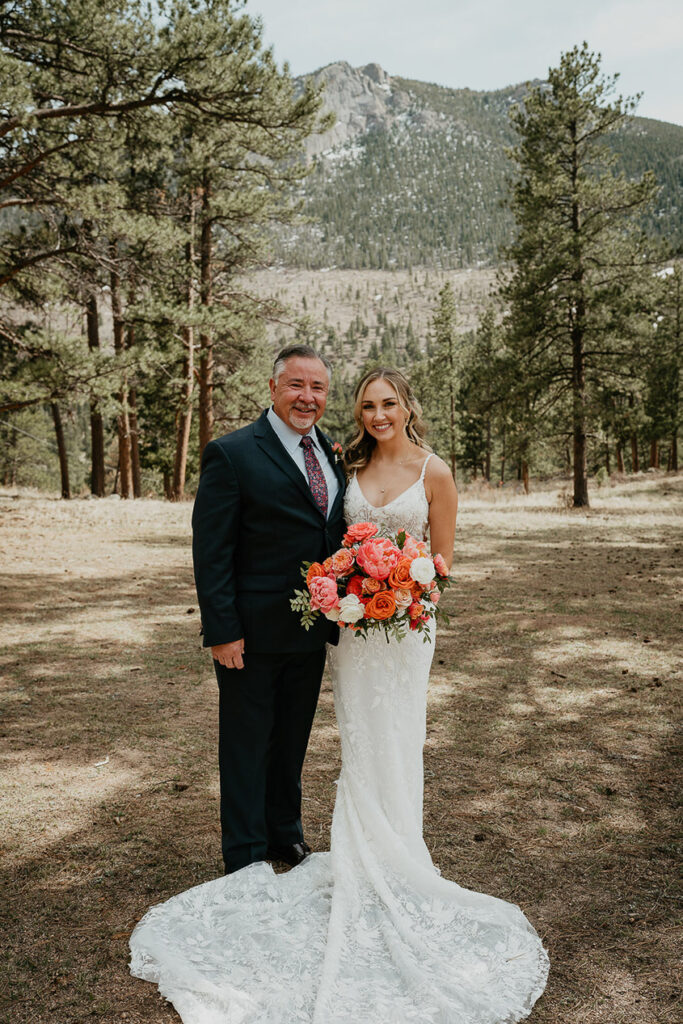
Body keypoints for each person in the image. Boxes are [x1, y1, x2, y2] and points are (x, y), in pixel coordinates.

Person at [130, 367, 549, 1023]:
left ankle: (398, 857)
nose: (377, 414)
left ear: (408, 406)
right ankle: (355, 856)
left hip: (405, 630)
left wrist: (404, 596)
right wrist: (351, 591)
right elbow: (325, 541)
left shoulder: (433, 472)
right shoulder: (343, 462)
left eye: (387, 403)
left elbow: (441, 563)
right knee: (358, 740)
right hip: (354, 630)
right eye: (366, 405)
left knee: (398, 739)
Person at [190, 343, 346, 874]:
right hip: (249, 635)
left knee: (291, 740)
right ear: (274, 388)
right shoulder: (232, 453)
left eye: (318, 387)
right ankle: (245, 852)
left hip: (311, 629)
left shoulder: (331, 452)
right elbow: (211, 552)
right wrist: (222, 630)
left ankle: (285, 834)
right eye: (297, 385)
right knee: (246, 744)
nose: (307, 397)